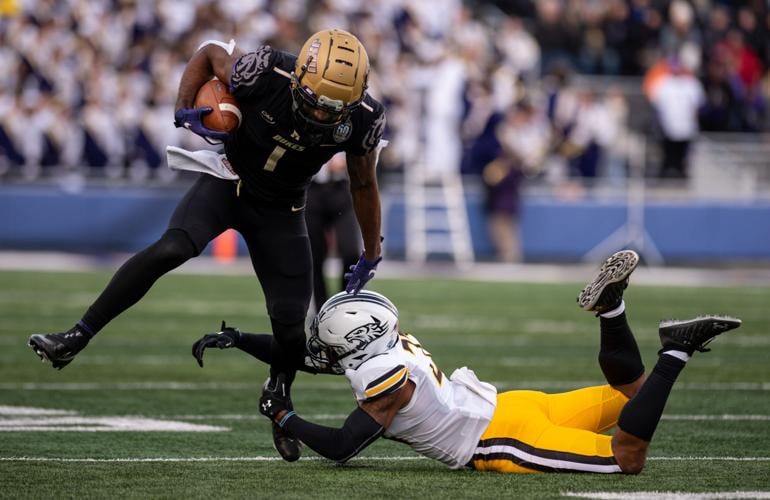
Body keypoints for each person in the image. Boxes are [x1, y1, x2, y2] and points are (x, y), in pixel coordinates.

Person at [28, 28, 387, 462]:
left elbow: (363, 183)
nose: (323, 116)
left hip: (283, 208)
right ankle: (76, 336)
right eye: (315, 101)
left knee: (291, 326)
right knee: (172, 248)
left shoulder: (365, 116)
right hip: (227, 181)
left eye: (335, 109)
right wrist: (182, 110)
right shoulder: (268, 70)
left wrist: (372, 250)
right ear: (298, 79)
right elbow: (212, 52)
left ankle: (279, 398)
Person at [192, 250, 741, 473]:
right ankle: (612, 308)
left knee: (629, 457)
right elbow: (307, 357)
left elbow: (340, 448)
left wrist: (283, 417)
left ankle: (674, 350)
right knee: (631, 397)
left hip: (499, 441)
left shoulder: (383, 380)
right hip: (513, 405)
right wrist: (239, 338)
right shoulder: (386, 347)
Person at [305, 153, 362, 313]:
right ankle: (321, 310)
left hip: (341, 188)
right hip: (312, 188)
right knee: (314, 257)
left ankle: (346, 304)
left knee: (351, 251)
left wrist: (347, 161)